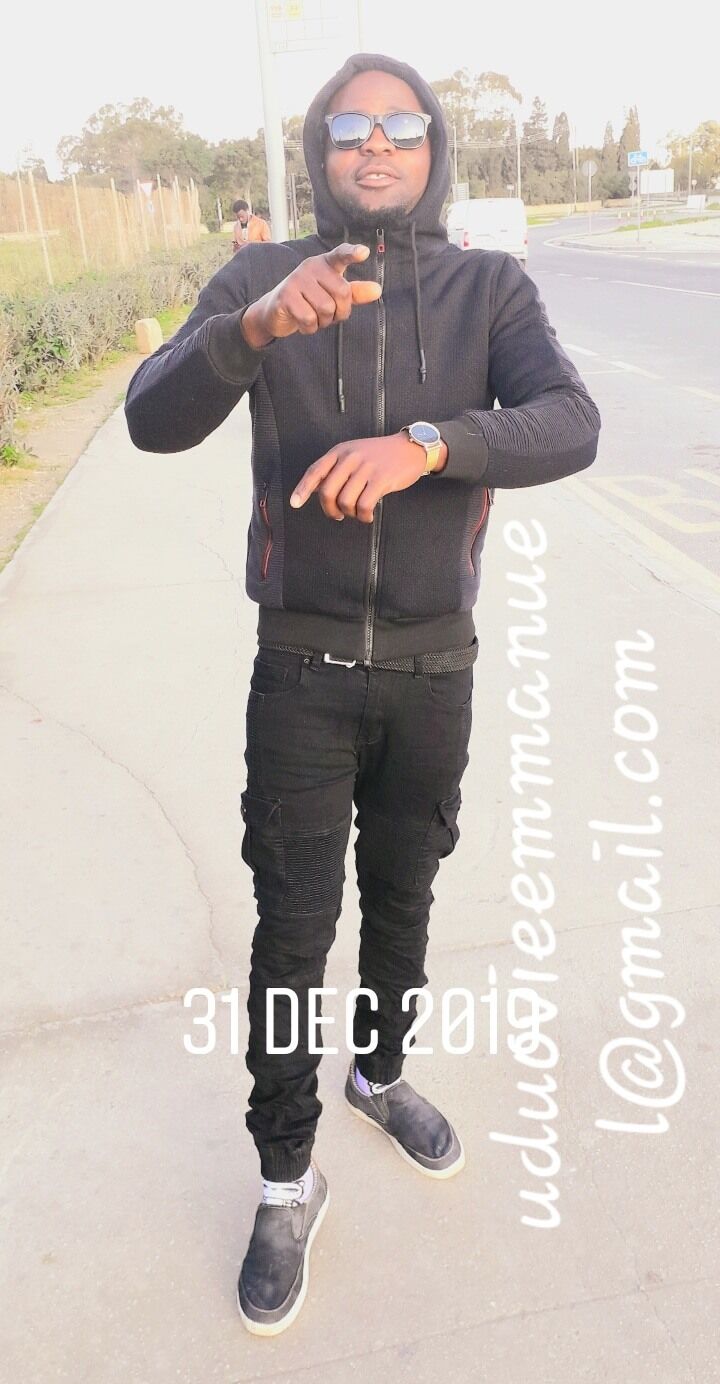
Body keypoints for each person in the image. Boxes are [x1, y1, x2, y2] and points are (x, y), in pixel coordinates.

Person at [125, 52, 600, 1336]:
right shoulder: (260, 282)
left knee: (404, 895)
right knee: (292, 930)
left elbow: (571, 419)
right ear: (318, 152)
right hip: (303, 667)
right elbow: (150, 417)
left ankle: (380, 1073)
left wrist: (431, 444)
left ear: (433, 146)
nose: (374, 144)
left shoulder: (489, 287)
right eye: (349, 126)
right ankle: (287, 1176)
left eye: (399, 125)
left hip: (436, 666)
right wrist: (252, 333)